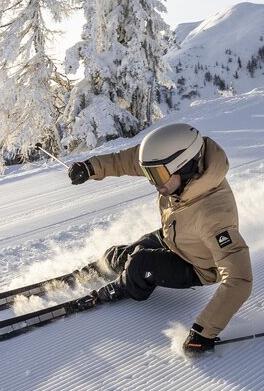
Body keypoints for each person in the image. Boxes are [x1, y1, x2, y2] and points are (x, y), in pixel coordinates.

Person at [68, 122, 252, 355]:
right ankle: (112, 263)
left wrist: (203, 333)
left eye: (157, 175)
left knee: (140, 264)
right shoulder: (174, 171)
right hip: (177, 236)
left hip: (198, 265)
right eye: (149, 174)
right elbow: (129, 160)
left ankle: (123, 287)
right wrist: (91, 167)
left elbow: (240, 279)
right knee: (128, 252)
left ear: (184, 168)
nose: (154, 183)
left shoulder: (214, 216)